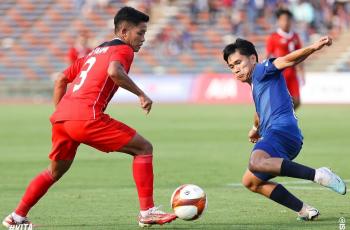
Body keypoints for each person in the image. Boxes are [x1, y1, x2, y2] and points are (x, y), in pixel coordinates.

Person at [2, 6, 177, 228]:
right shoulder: (124, 49)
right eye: (140, 33)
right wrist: (141, 94)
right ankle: (147, 212)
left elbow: (61, 80)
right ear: (123, 32)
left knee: (54, 172)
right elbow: (115, 72)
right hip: (86, 117)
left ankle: (16, 218)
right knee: (143, 148)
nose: (143, 39)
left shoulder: (95, 52)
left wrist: (61, 114)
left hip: (62, 119)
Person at [222, 36, 346, 220]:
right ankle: (305, 210)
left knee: (255, 162)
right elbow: (259, 112)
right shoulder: (256, 84)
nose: (236, 69)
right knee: (250, 181)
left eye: (239, 62)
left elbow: (288, 60)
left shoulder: (262, 69)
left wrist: (313, 47)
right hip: (283, 135)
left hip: (281, 131)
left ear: (253, 59)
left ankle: (320, 175)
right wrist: (255, 127)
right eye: (232, 66)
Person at [266, 9, 304, 110]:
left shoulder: (295, 36)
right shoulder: (274, 37)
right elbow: (267, 55)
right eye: (283, 20)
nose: (285, 22)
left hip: (292, 74)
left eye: (287, 20)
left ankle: (285, 117)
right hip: (279, 74)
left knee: (297, 101)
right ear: (278, 21)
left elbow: (300, 54)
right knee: (277, 101)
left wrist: (302, 73)